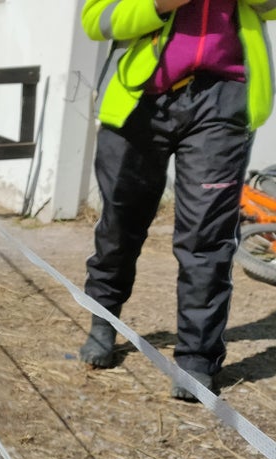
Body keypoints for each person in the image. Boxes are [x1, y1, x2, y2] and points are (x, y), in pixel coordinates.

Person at [79, 0, 276, 401]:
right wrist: (158, 4)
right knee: (120, 222)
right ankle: (103, 319)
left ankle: (197, 359)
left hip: (222, 99)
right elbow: (96, 19)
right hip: (138, 98)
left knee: (207, 235)